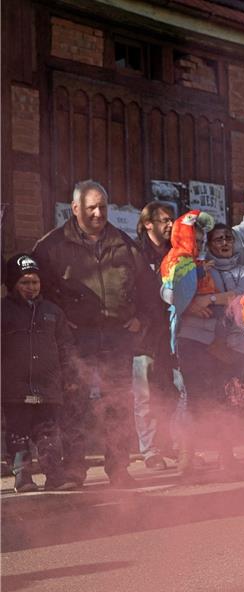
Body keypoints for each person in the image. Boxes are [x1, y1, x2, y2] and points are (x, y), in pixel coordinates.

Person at [34, 180, 152, 488]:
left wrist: (142, 318)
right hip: (76, 340)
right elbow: (35, 291)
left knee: (119, 404)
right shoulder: (50, 247)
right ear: (75, 209)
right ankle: (74, 470)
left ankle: (119, 469)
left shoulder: (126, 245)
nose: (99, 213)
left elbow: (149, 289)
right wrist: (58, 322)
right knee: (75, 403)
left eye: (103, 207)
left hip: (117, 337)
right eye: (91, 208)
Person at [161, 214, 244, 473]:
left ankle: (225, 454)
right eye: (218, 239)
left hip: (233, 342)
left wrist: (211, 299)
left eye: (229, 237)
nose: (224, 242)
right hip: (197, 339)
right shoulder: (197, 266)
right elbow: (171, 291)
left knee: (225, 398)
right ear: (209, 245)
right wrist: (195, 303)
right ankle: (187, 455)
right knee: (193, 398)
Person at [2, 255, 77, 492]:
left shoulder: (53, 312)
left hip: (48, 386)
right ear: (13, 283)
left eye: (35, 282)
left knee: (48, 431)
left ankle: (54, 474)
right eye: (25, 282)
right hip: (15, 387)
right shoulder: (4, 311)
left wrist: (69, 376)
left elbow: (66, 346)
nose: (31, 287)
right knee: (18, 432)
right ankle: (23, 476)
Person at [134, 201, 178, 470]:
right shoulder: (136, 253)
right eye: (163, 220)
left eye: (171, 219)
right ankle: (150, 450)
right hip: (144, 336)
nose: (170, 224)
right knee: (145, 395)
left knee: (172, 390)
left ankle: (168, 443)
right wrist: (132, 319)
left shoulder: (177, 253)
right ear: (148, 224)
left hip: (172, 332)